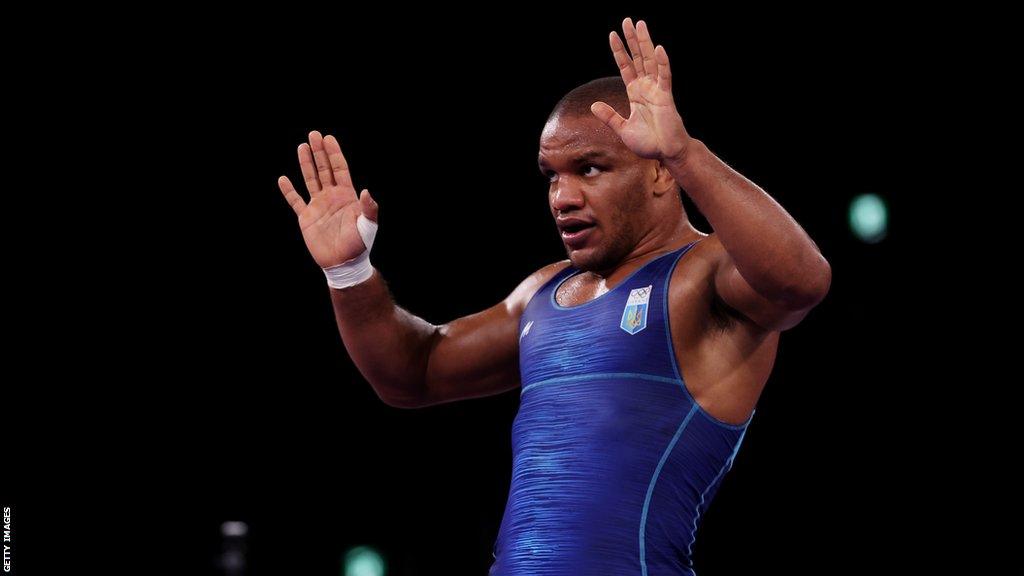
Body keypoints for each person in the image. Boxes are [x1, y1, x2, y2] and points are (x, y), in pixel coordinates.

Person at [277, 17, 830, 576]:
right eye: (551, 176)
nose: (562, 197)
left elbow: (800, 282)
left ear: (659, 174)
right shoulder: (546, 290)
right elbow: (411, 373)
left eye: (589, 169)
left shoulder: (705, 273)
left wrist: (687, 154)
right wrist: (349, 271)